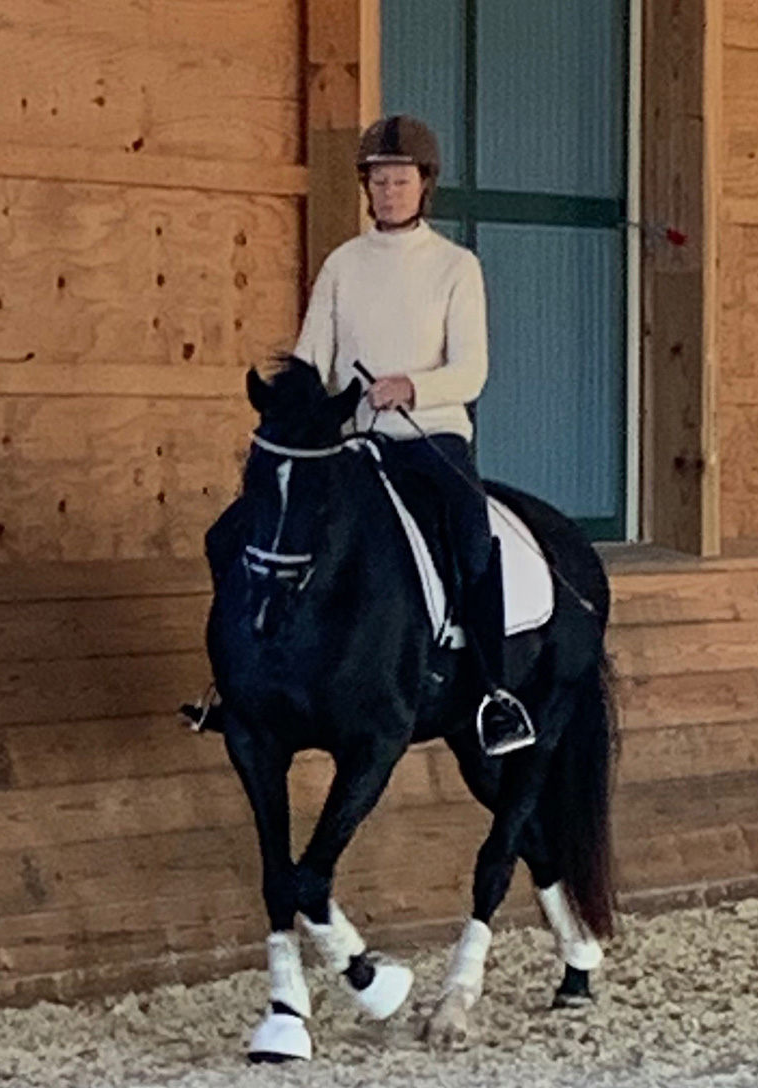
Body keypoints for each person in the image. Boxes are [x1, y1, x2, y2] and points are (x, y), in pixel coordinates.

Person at [186, 114, 535, 756]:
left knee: (472, 535)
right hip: (349, 442)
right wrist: (298, 411)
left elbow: (473, 371)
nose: (388, 192)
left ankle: (494, 693)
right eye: (378, 181)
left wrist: (410, 387)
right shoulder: (343, 264)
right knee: (234, 532)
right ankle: (233, 680)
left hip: (429, 439)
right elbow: (312, 356)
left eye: (400, 180)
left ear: (423, 186)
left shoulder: (456, 267)